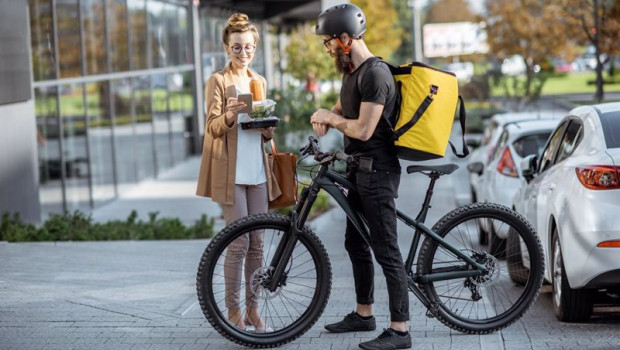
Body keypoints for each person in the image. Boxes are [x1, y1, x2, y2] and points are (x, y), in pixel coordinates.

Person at [310, 4, 411, 350]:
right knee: (355, 243)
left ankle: (400, 330)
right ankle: (364, 314)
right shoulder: (352, 72)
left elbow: (364, 129)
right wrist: (326, 115)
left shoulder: (376, 74)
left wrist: (333, 119)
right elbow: (343, 109)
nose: (327, 49)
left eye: (328, 43)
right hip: (358, 169)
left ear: (345, 38)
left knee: (387, 250)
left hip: (378, 173)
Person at [195, 12, 280, 333]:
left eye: (248, 47)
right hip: (230, 174)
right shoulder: (218, 81)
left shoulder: (259, 81)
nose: (243, 53)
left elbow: (265, 134)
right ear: (226, 48)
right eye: (236, 47)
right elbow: (211, 128)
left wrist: (269, 128)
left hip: (258, 172)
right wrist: (230, 114)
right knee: (239, 244)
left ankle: (254, 310)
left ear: (255, 48)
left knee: (258, 243)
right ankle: (234, 313)